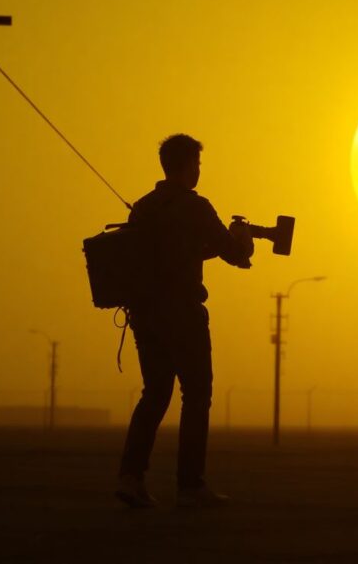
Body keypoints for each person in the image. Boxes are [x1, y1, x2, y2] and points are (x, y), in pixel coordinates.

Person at [115, 134, 253, 508]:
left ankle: (130, 477)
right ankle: (190, 485)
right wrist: (243, 241)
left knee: (155, 394)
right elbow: (233, 253)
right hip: (184, 314)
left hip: (145, 315)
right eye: (198, 164)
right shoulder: (196, 207)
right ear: (189, 165)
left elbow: (173, 254)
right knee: (196, 395)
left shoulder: (143, 207)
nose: (199, 171)